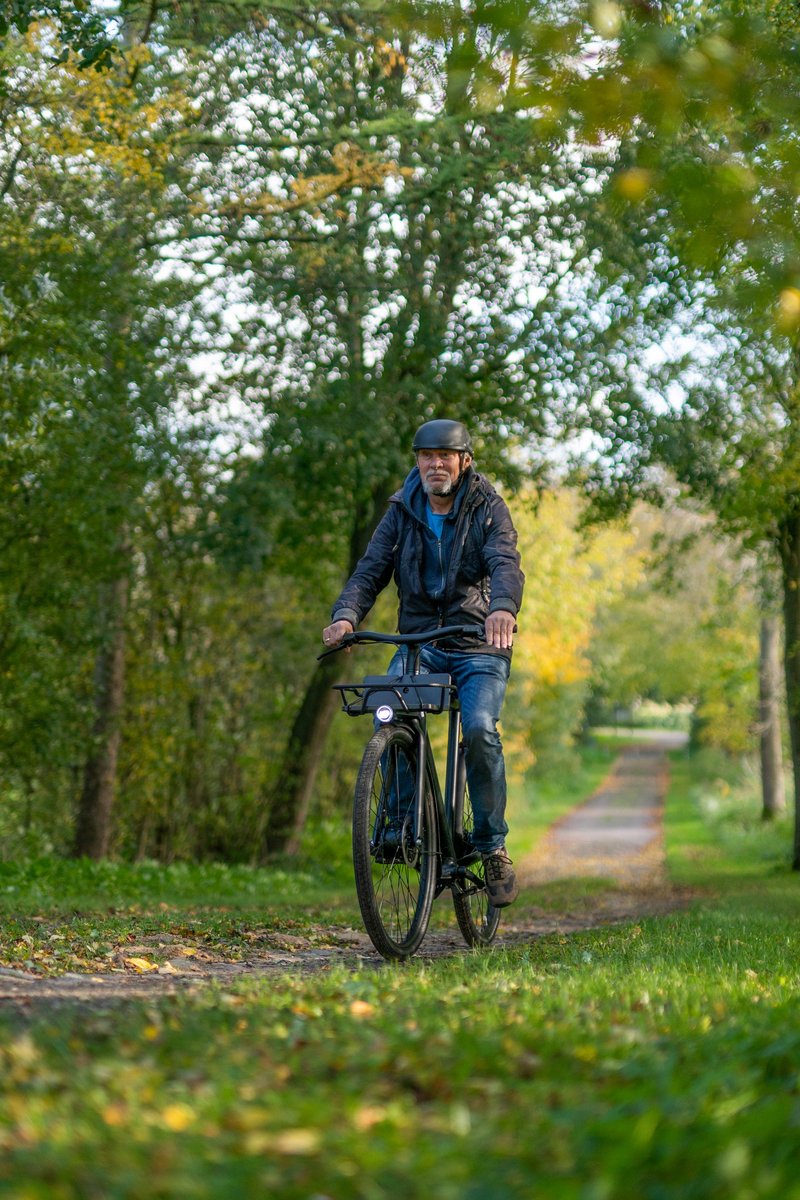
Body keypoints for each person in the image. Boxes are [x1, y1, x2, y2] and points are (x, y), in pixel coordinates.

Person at [322, 419, 524, 907]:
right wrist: (346, 616)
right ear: (417, 462)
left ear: (464, 462)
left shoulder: (488, 507)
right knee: (387, 710)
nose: (435, 464)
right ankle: (399, 824)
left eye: (445, 456)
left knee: (477, 729)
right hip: (420, 642)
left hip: (477, 642)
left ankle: (492, 845)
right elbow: (370, 569)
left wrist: (502, 608)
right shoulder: (401, 510)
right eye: (426, 456)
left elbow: (504, 562)